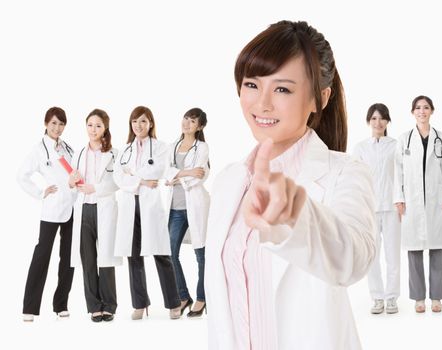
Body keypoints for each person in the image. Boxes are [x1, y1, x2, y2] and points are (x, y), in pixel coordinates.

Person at [205, 20, 376, 349]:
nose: (262, 103)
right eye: (252, 84)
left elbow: (352, 259)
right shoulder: (229, 181)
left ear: (320, 98)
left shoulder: (346, 173)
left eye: (282, 89)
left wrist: (294, 216)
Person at [113, 106, 181, 320]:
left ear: (150, 123)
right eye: (134, 121)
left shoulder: (161, 148)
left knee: (161, 254)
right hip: (128, 205)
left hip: (150, 206)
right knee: (133, 256)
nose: (138, 125)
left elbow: (158, 171)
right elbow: (117, 177)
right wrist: (141, 180)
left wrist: (131, 175)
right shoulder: (124, 150)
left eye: (143, 121)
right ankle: (140, 304)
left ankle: (174, 303)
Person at [393, 95, 442, 313]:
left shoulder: (441, 138)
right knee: (413, 249)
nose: (422, 111)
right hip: (411, 200)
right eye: (418, 108)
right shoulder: (404, 139)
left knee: (437, 248)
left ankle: (437, 297)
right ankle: (419, 298)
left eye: (426, 107)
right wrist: (399, 198)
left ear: (432, 111)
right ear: (413, 112)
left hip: (435, 200)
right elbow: (398, 172)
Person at [17, 107, 75, 322]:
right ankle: (29, 307)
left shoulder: (67, 148)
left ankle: (61, 304)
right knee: (41, 256)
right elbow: (21, 176)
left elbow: (75, 173)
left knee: (68, 258)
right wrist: (41, 193)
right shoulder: (39, 150)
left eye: (61, 124)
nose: (57, 128)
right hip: (51, 209)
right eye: (53, 123)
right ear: (46, 123)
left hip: (72, 207)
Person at [68, 109, 121, 322]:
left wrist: (95, 188)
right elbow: (72, 180)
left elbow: (116, 182)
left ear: (105, 128)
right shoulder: (79, 153)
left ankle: (109, 304)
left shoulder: (114, 154)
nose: (93, 129)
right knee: (88, 259)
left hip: (104, 207)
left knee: (105, 258)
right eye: (90, 125)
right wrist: (71, 183)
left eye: (98, 125)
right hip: (84, 210)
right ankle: (94, 305)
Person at [353, 103, 401, 314]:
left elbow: (402, 176)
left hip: (392, 207)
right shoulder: (361, 148)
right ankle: (377, 297)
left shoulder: (396, 145)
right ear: (368, 121)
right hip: (370, 208)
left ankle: (391, 297)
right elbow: (356, 178)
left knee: (392, 254)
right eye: (373, 118)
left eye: (382, 118)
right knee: (372, 255)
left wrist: (401, 200)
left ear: (388, 121)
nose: (378, 122)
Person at [165, 107, 210, 317]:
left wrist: (178, 175)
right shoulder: (172, 146)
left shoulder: (202, 147)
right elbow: (166, 173)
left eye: (192, 121)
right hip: (175, 208)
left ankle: (202, 298)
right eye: (185, 118)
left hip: (195, 206)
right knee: (170, 253)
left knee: (201, 254)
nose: (187, 123)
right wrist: (186, 172)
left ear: (199, 126)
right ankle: (183, 296)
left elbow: (199, 176)